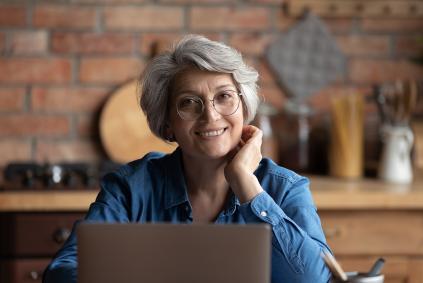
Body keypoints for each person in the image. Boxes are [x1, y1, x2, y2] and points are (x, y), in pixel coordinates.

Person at [43, 34, 332, 283]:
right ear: (167, 123)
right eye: (188, 103)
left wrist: (246, 184)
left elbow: (315, 279)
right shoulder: (131, 188)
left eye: (224, 97)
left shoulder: (286, 188)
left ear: (244, 107)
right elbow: (63, 271)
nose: (210, 115)